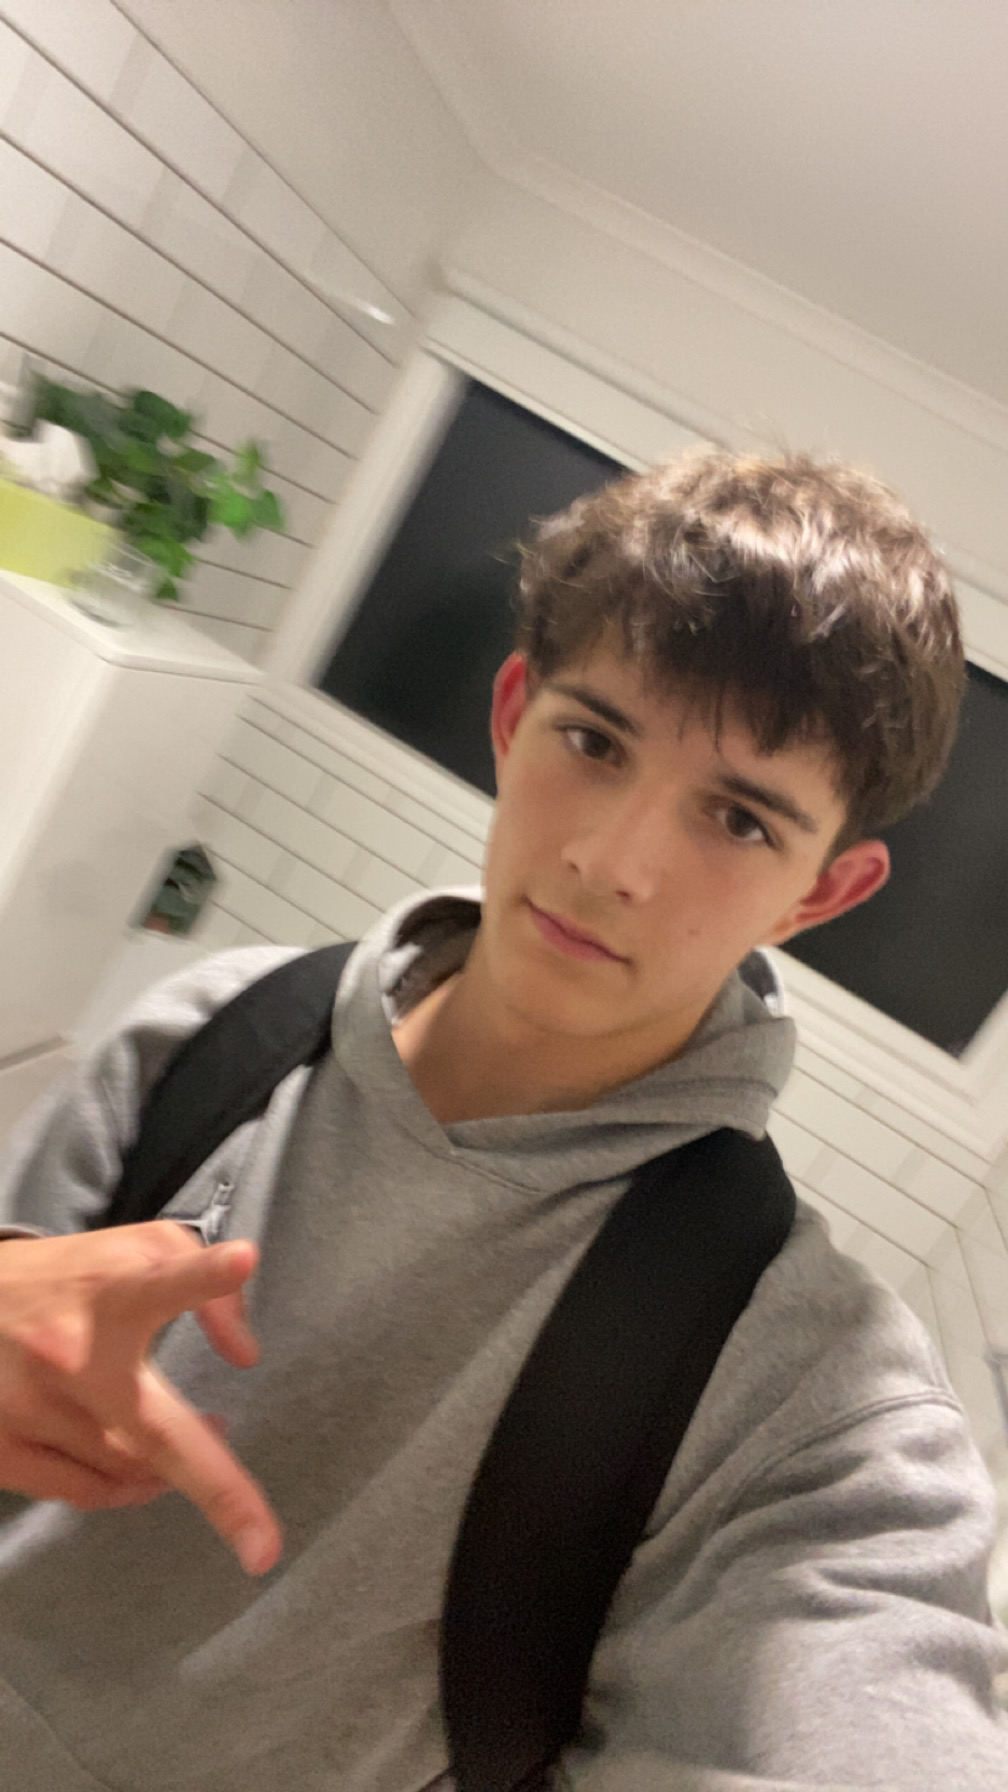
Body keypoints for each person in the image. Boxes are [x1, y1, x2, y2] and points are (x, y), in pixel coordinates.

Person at [0, 449, 1004, 1791]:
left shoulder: (805, 1394)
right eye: (595, 743)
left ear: (819, 894)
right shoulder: (208, 1030)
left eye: (739, 820)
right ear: (516, 713)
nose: (611, 862)